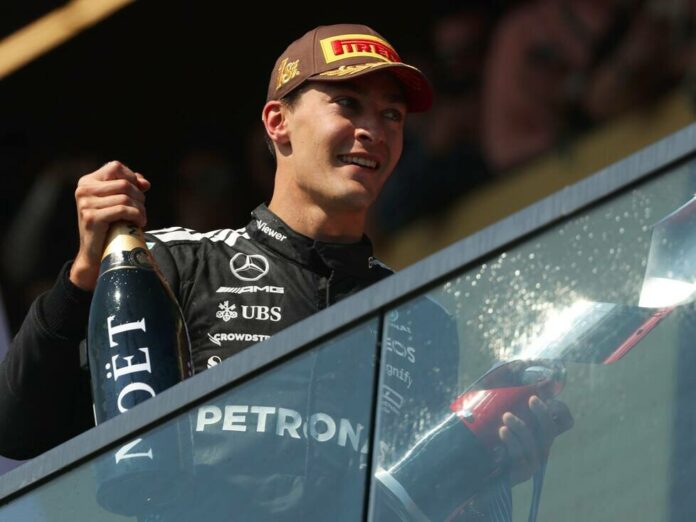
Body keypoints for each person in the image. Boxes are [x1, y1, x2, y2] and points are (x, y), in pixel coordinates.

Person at [0, 23, 571, 520]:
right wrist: (82, 278)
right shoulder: (176, 263)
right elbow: (18, 429)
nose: (374, 129)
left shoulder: (421, 319)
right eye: (347, 104)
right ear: (278, 123)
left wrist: (491, 471)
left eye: (391, 114)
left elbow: (418, 499)